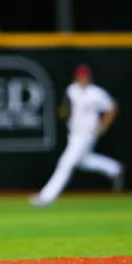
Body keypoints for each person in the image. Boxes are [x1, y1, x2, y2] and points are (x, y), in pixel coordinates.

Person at [31, 64, 124, 206]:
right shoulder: (72, 90)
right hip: (74, 133)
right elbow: (66, 109)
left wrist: (102, 126)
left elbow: (112, 107)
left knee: (66, 163)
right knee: (84, 161)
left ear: (89, 76)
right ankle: (114, 169)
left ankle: (46, 197)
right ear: (76, 77)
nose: (83, 78)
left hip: (87, 134)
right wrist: (64, 112)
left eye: (85, 75)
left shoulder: (96, 93)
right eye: (80, 75)